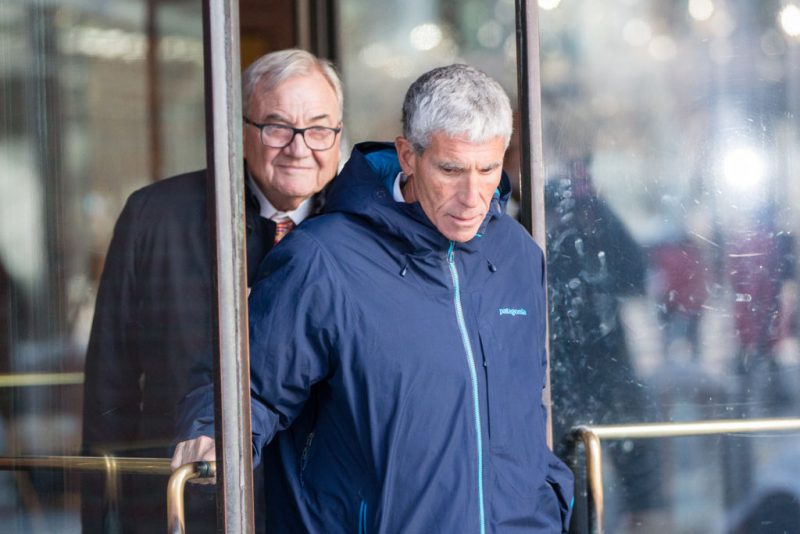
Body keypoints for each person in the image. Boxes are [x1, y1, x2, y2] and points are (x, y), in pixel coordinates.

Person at [173, 64, 573, 533]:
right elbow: (254, 387)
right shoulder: (322, 258)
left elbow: (527, 399)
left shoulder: (518, 255)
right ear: (407, 155)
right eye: (451, 169)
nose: (473, 196)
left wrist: (547, 496)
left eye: (488, 169)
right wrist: (210, 434)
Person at [81, 48, 343, 533]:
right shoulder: (154, 217)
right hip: (188, 507)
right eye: (277, 126)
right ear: (241, 130)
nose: (300, 147)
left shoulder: (362, 234)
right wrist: (100, 519)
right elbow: (109, 386)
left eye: (320, 128)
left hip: (322, 513)